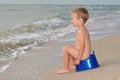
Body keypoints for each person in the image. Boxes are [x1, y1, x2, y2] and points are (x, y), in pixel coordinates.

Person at [57, 7, 91, 74]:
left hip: (83, 55)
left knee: (66, 48)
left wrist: (78, 59)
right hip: (85, 53)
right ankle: (72, 65)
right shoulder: (83, 29)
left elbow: (82, 46)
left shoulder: (81, 31)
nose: (71, 21)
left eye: (73, 19)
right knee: (71, 47)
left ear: (80, 20)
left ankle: (66, 69)